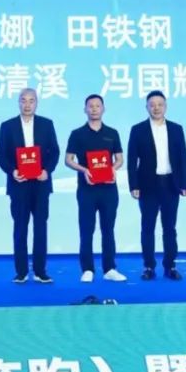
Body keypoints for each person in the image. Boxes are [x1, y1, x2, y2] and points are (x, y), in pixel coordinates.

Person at [0, 88, 60, 284]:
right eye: (23, 100)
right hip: (19, 184)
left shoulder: (47, 124)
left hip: (40, 184)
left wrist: (47, 171)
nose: (27, 104)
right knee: (20, 227)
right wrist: (12, 171)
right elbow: (1, 154)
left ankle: (40, 271)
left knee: (41, 227)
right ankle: (21, 271)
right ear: (18, 103)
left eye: (31, 100)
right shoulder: (7, 126)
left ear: (36, 103)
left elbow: (55, 152)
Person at [127, 90, 186, 281]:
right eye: (152, 105)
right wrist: (133, 185)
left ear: (165, 106)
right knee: (147, 227)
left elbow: (183, 157)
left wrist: (185, 183)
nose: (156, 108)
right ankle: (148, 266)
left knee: (169, 227)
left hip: (171, 184)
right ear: (146, 107)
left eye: (160, 104)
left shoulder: (176, 129)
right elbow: (132, 160)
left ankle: (170, 266)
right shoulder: (138, 129)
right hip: (147, 185)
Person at [65, 94, 127, 283]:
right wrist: (84, 170)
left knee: (108, 229)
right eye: (90, 106)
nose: (94, 109)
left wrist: (112, 169)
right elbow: (68, 160)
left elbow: (119, 159)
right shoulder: (77, 134)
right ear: (85, 109)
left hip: (108, 189)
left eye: (97, 106)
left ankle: (109, 268)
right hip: (87, 189)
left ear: (103, 109)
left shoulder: (112, 133)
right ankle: (87, 269)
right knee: (86, 229)